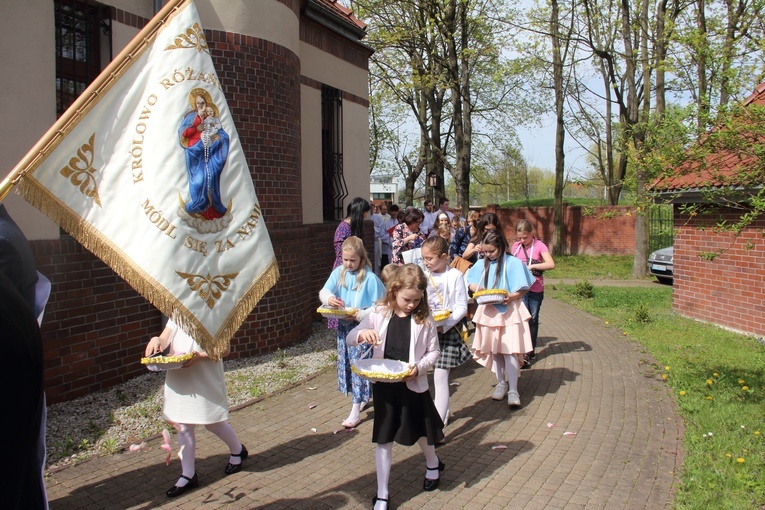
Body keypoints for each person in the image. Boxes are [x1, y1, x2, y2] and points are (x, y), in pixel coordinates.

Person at [347, 264, 444, 510]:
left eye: (416, 300)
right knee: (383, 438)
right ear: (394, 290)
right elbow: (352, 336)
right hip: (385, 385)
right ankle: (382, 494)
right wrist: (363, 334)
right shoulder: (379, 312)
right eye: (406, 299)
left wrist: (419, 368)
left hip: (412, 383)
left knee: (422, 431)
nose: (411, 305)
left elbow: (434, 352)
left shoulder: (424, 318)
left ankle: (432, 463)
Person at [144, 321, 248, 498]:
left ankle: (238, 450)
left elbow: (224, 350)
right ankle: (188, 474)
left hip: (205, 376)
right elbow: (164, 337)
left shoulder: (214, 314)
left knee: (213, 422)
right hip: (180, 377)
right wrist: (156, 339)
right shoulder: (177, 311)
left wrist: (198, 355)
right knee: (182, 424)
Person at [319, 237, 385, 428]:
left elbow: (381, 306)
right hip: (343, 328)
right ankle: (363, 397)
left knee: (359, 366)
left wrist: (359, 314)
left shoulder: (370, 279)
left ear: (362, 259)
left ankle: (356, 409)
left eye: (352, 260)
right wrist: (330, 299)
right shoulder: (338, 272)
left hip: (363, 329)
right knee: (349, 365)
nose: (348, 264)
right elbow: (324, 291)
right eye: (345, 259)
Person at [466, 230, 534, 408]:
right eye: (486, 252)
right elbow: (470, 282)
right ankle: (501, 382)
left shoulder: (514, 263)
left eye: (492, 251)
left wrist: (511, 296)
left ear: (501, 247)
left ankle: (513, 389)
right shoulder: (482, 263)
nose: (488, 255)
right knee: (495, 350)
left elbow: (525, 286)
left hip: (510, 310)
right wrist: (477, 288)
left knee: (510, 350)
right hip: (489, 311)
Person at [421, 236, 470, 428]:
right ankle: (442, 409)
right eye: (423, 258)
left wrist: (445, 324)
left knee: (440, 376)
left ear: (443, 256)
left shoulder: (455, 275)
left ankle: (438, 422)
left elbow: (461, 307)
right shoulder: (423, 276)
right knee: (424, 375)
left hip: (446, 331)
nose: (426, 262)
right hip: (426, 331)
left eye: (430, 258)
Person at [178, 89, 230, 219]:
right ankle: (197, 203)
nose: (201, 106)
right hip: (194, 151)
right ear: (195, 105)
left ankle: (213, 206)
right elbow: (183, 134)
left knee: (211, 177)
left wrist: (217, 137)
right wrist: (196, 128)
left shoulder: (211, 117)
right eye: (199, 103)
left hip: (210, 153)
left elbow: (223, 135)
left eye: (203, 103)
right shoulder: (191, 117)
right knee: (199, 179)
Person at [511, 219, 555, 367]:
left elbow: (551, 264)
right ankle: (523, 351)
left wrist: (530, 267)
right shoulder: (516, 247)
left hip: (536, 288)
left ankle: (531, 350)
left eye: (525, 237)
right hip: (521, 289)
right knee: (524, 319)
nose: (522, 240)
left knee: (533, 319)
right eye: (520, 238)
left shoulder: (539, 245)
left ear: (532, 233)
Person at [333, 197, 371, 269]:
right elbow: (341, 254)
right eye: (364, 214)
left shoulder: (352, 227)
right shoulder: (343, 229)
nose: (365, 217)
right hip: (344, 269)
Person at [380, 204, 398, 268]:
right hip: (387, 248)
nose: (394, 213)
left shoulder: (400, 223)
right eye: (392, 211)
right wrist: (390, 239)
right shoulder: (385, 223)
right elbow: (382, 236)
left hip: (398, 248)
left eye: (395, 211)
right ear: (389, 212)